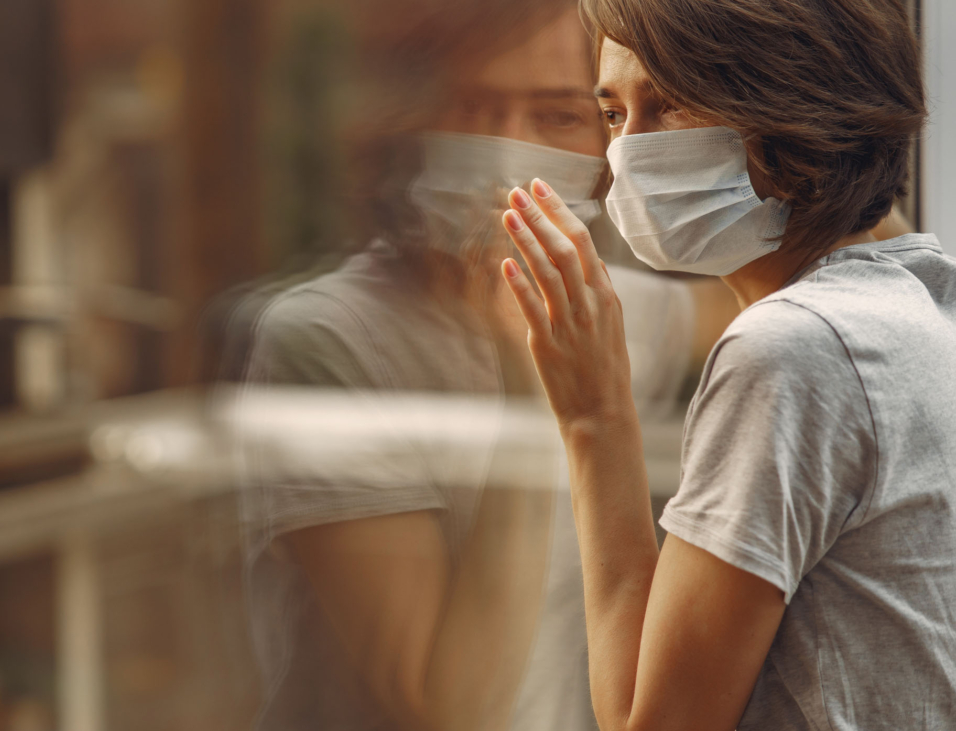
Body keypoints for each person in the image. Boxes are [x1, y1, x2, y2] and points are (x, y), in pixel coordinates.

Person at [235, 3, 717, 731]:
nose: (504, 150)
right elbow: (445, 708)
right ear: (416, 125)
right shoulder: (325, 338)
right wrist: (530, 383)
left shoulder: (608, 308)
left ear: (607, 145)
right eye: (472, 107)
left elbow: (800, 296)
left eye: (556, 117)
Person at [496, 0, 956, 729]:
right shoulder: (922, 301)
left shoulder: (791, 350)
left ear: (789, 107)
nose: (629, 156)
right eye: (613, 114)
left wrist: (594, 416)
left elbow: (649, 723)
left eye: (672, 104)